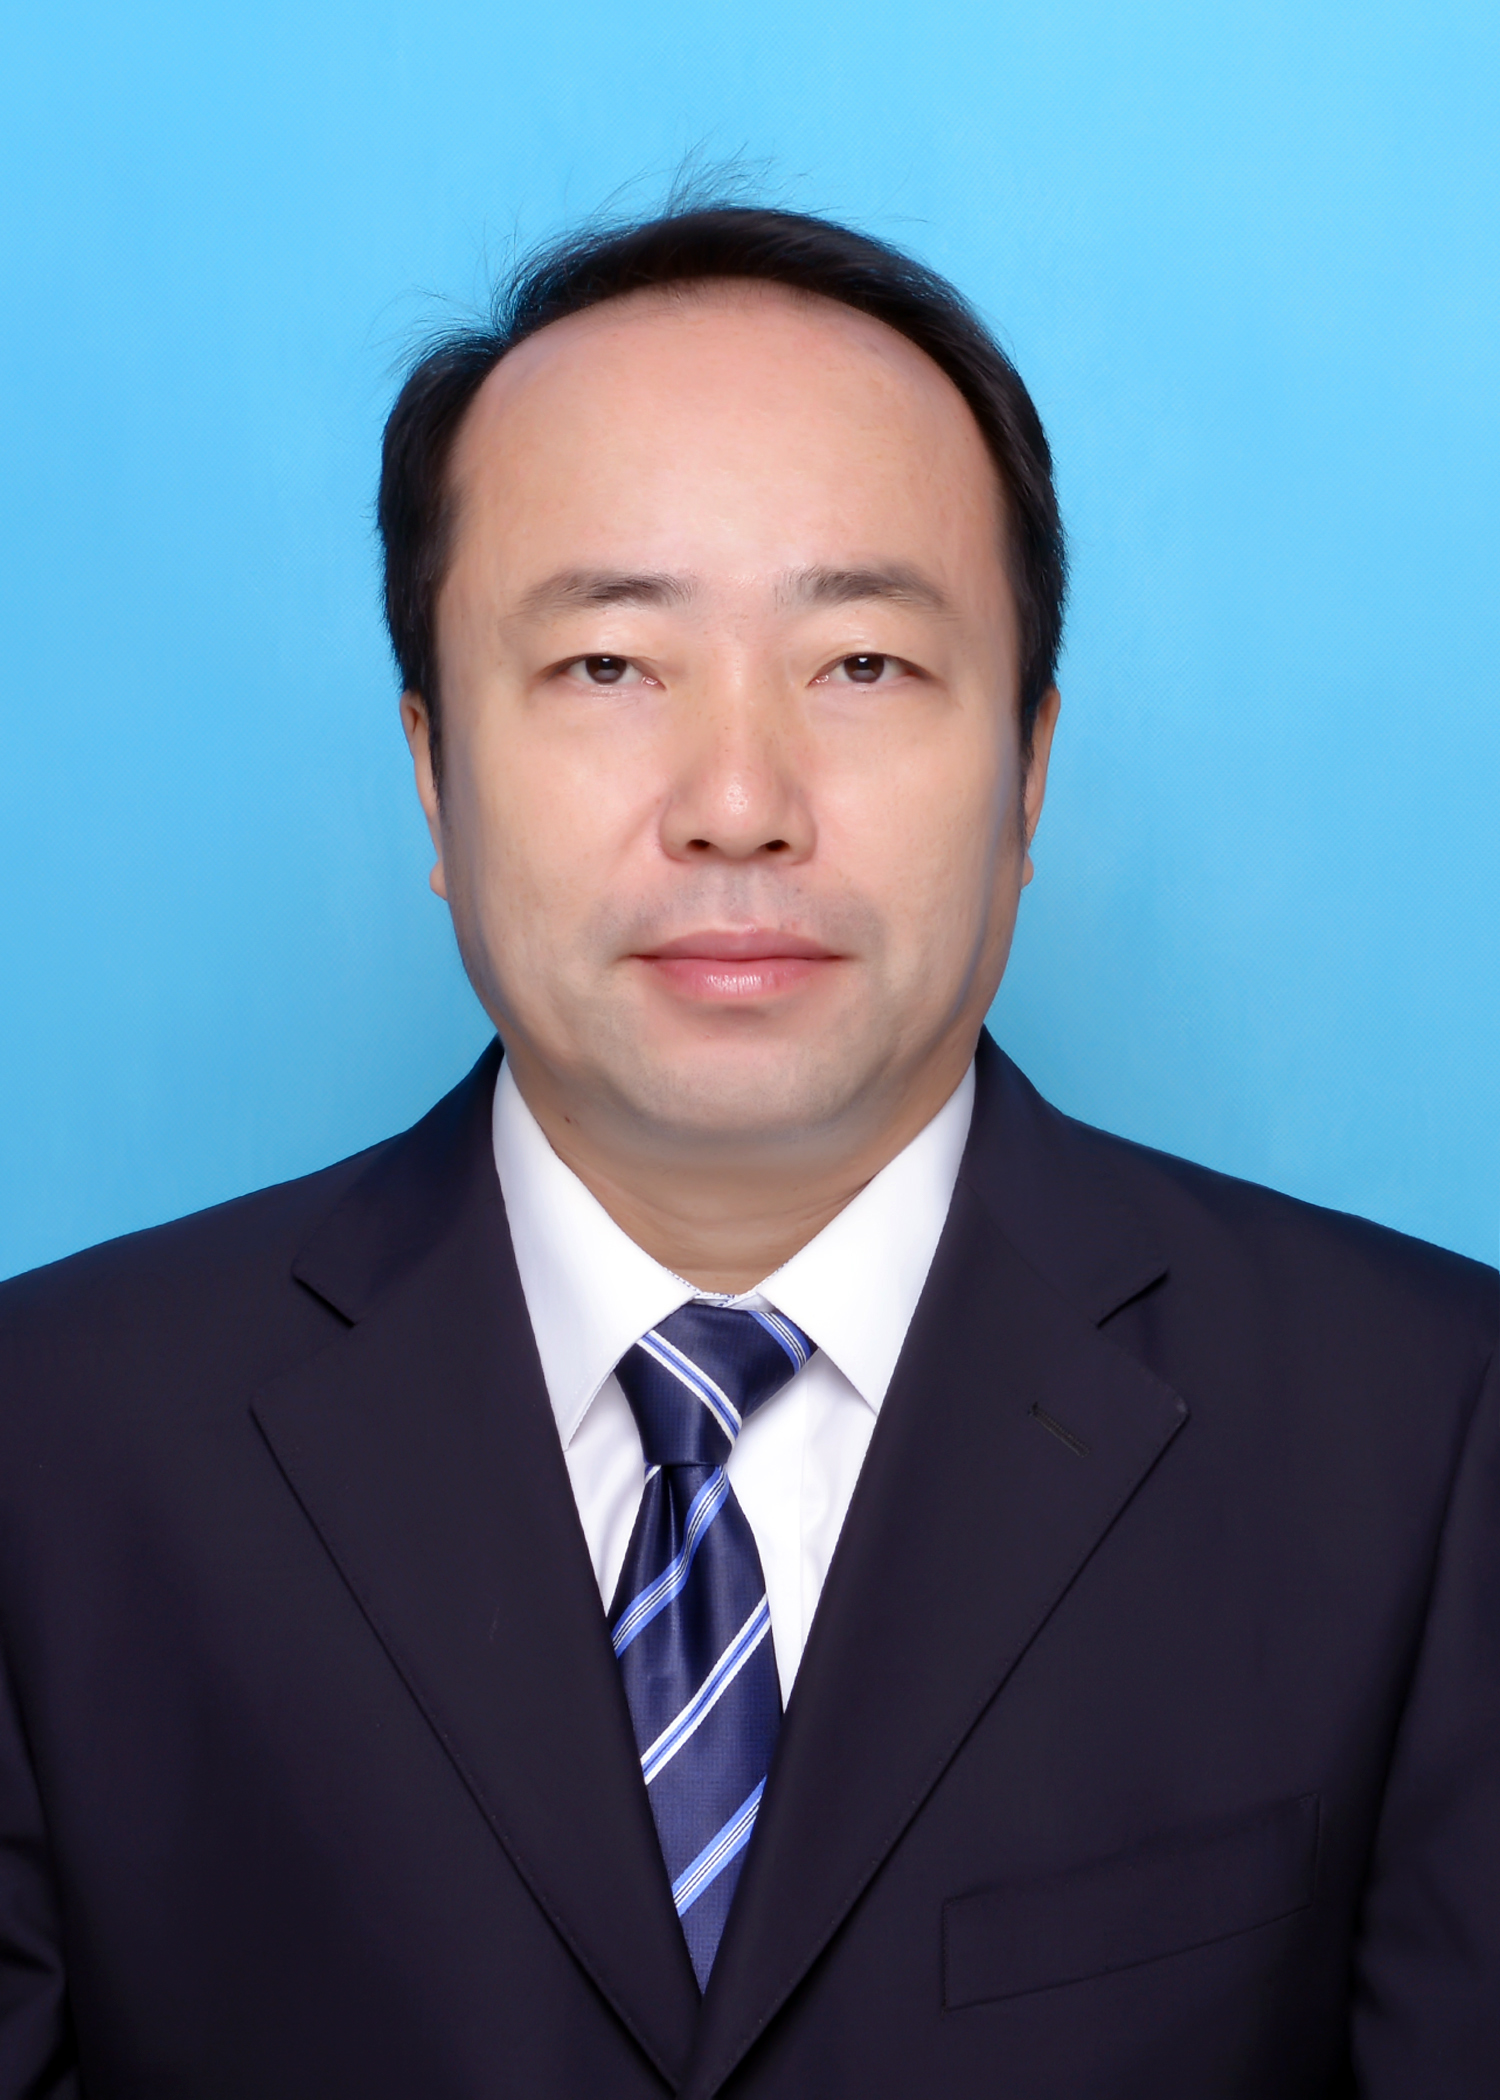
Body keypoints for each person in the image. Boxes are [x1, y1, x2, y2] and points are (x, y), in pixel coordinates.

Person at [0, 203, 1495, 2100]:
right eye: (607, 666)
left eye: (860, 664)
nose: (736, 805)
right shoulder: (50, 1451)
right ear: (432, 775)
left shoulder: (1430, 1432)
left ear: (1029, 768)